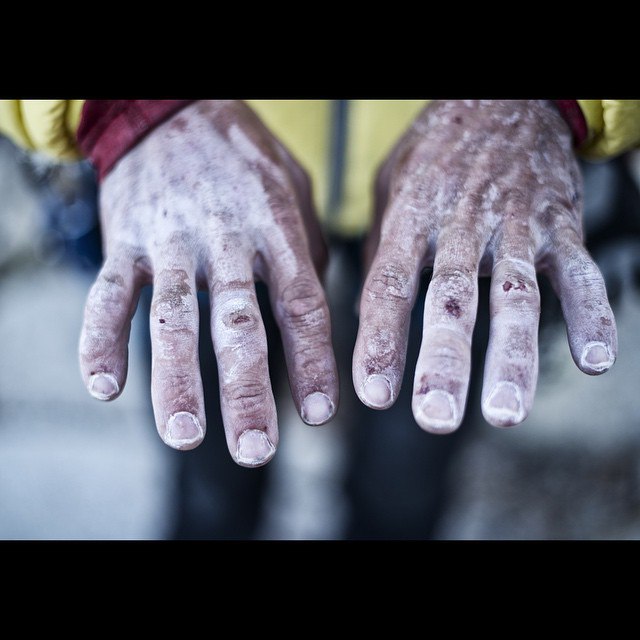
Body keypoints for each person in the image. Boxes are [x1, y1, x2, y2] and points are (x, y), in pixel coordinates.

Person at [1, 99, 639, 538]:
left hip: (479, 184)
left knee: (409, 470)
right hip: (190, 169)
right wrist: (125, 111)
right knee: (207, 460)